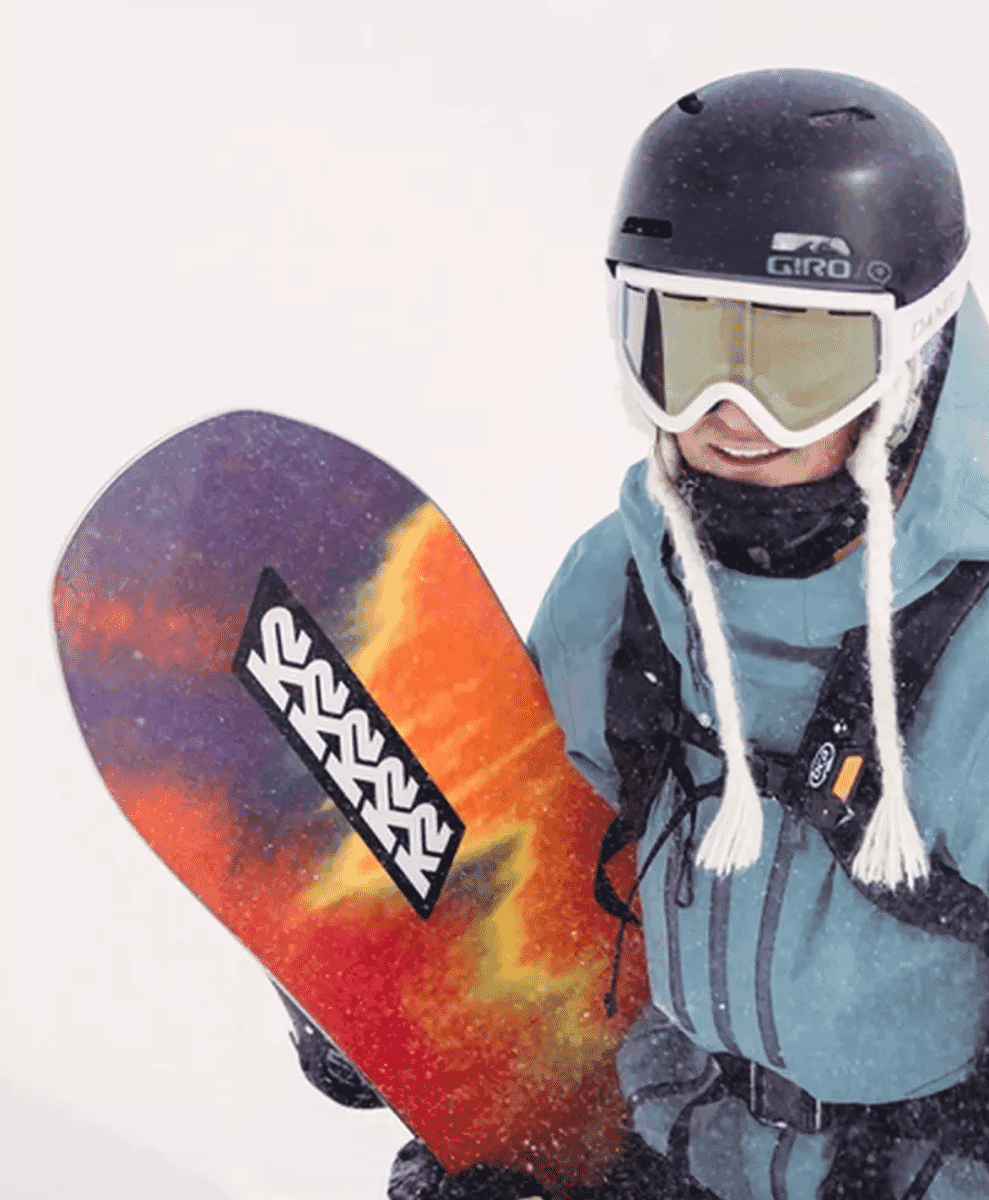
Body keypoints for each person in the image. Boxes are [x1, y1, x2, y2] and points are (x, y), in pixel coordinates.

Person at [293, 69, 989, 1199]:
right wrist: (425, 1040)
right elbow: (521, 870)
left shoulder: (974, 644)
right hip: (675, 1152)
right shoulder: (624, 589)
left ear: (906, 361)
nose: (727, 410)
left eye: (797, 361)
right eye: (684, 342)